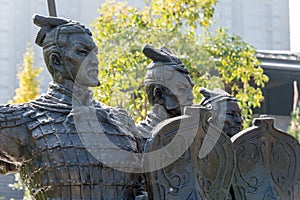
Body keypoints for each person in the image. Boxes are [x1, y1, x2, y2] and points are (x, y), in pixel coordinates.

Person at [0, 14, 146, 199]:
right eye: (83, 52)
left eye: (95, 53)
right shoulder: (21, 121)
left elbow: (143, 184)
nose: (94, 60)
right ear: (56, 61)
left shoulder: (120, 120)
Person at [137, 44, 194, 147]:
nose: (191, 96)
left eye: (190, 90)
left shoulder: (194, 138)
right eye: (182, 89)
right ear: (159, 95)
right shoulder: (136, 140)